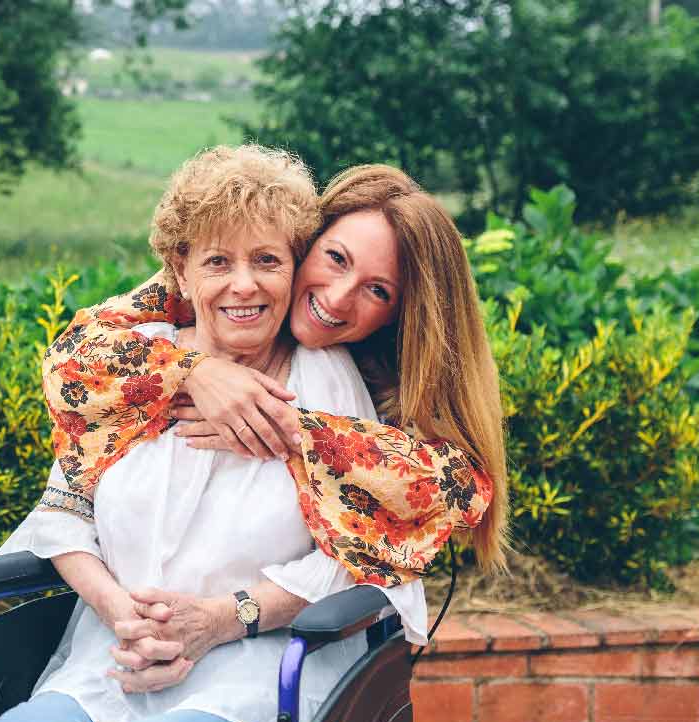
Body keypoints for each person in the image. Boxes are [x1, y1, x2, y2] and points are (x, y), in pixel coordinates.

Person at [0, 146, 452, 722]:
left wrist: (221, 619)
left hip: (254, 684)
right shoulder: (130, 368)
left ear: (290, 267)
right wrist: (118, 612)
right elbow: (63, 510)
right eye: (218, 261)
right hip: (110, 661)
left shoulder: (325, 384)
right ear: (180, 272)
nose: (242, 285)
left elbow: (353, 560)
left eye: (267, 260)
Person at [43, 161, 507, 585]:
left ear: (401, 315)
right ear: (305, 245)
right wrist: (193, 372)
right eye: (336, 259)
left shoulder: (367, 369)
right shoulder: (190, 294)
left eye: (378, 291)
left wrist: (297, 431)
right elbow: (73, 352)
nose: (338, 298)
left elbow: (458, 487)